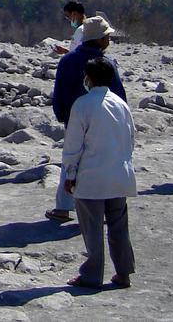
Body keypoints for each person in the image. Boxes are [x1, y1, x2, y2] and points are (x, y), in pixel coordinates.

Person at [63, 56, 137, 289]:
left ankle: (93, 275)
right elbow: (131, 138)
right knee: (118, 226)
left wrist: (70, 173)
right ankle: (123, 273)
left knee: (92, 227)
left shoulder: (83, 104)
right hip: (119, 174)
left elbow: (73, 145)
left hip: (92, 175)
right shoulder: (121, 104)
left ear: (89, 78)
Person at [46, 15, 127, 222]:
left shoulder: (67, 60)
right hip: (102, 120)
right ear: (99, 39)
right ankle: (103, 207)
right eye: (107, 37)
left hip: (73, 118)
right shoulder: (105, 62)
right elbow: (117, 93)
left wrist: (62, 114)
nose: (109, 40)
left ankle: (64, 207)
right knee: (102, 159)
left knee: (71, 159)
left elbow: (60, 91)